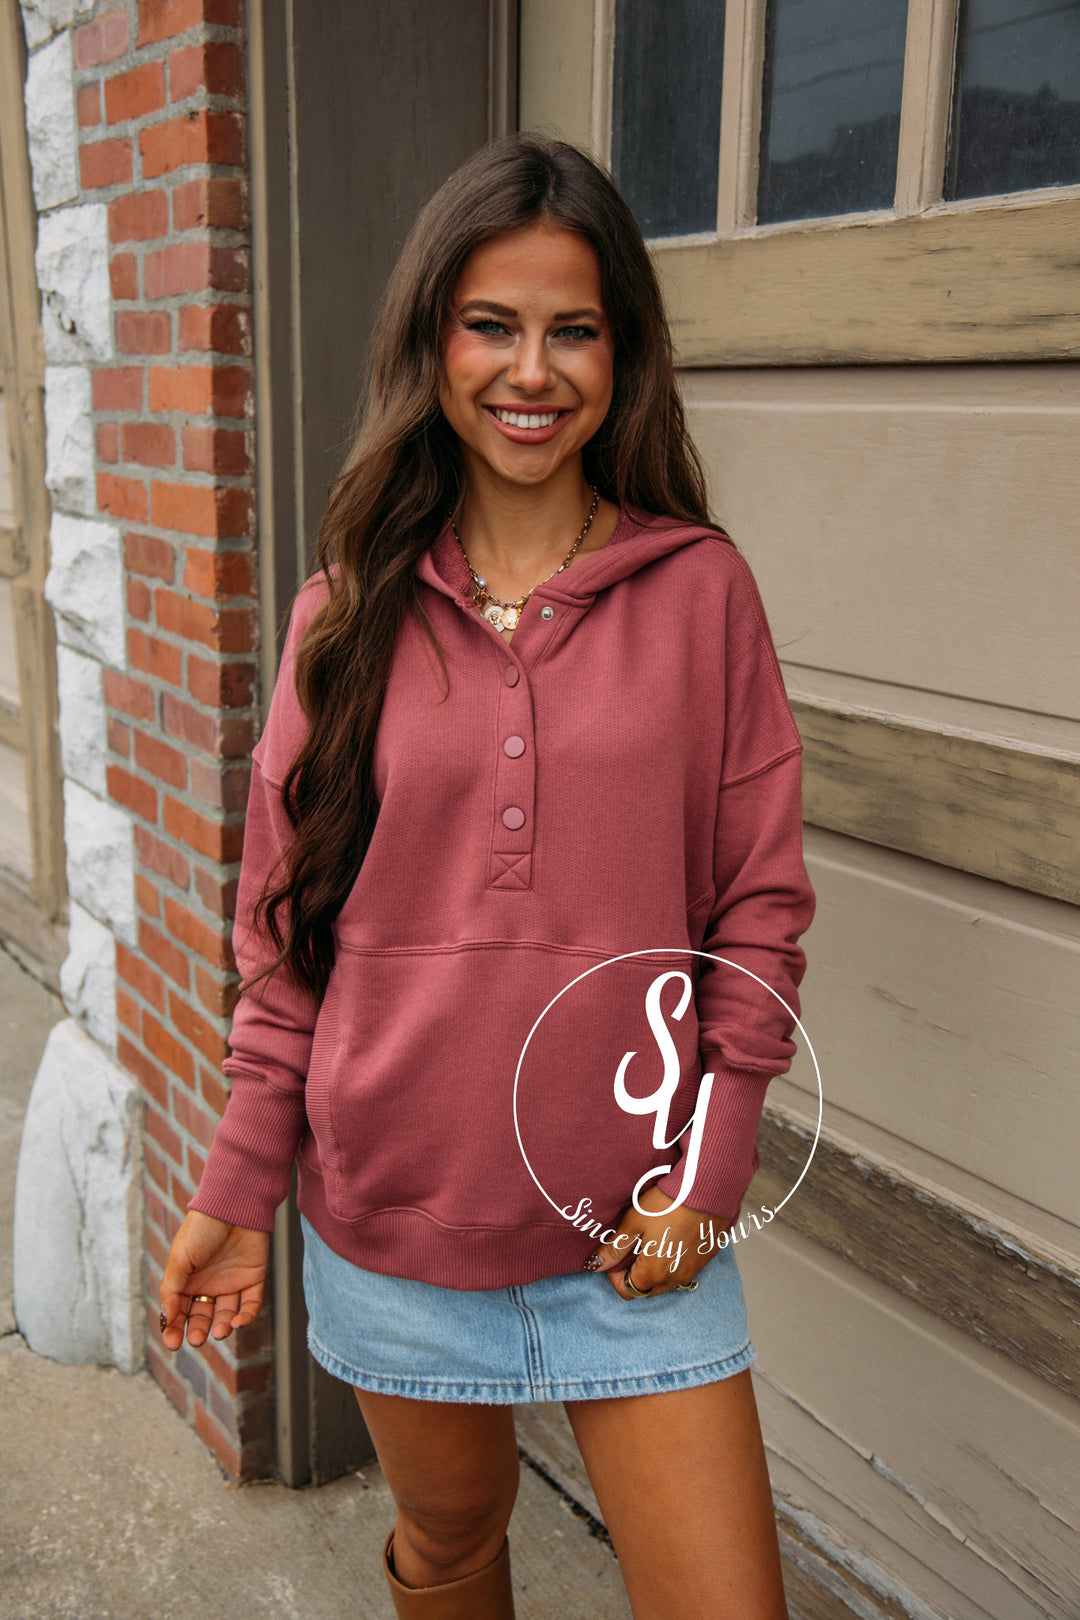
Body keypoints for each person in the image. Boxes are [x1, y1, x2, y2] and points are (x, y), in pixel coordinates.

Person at [159, 132, 814, 1620]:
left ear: (622, 354)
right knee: (450, 1550)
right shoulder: (342, 619)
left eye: (573, 329)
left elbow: (759, 914)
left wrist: (710, 1172)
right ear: (432, 348)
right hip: (396, 1218)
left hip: (641, 1230)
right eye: (490, 325)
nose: (533, 370)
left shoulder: (700, 592)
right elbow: (288, 941)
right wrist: (239, 1185)